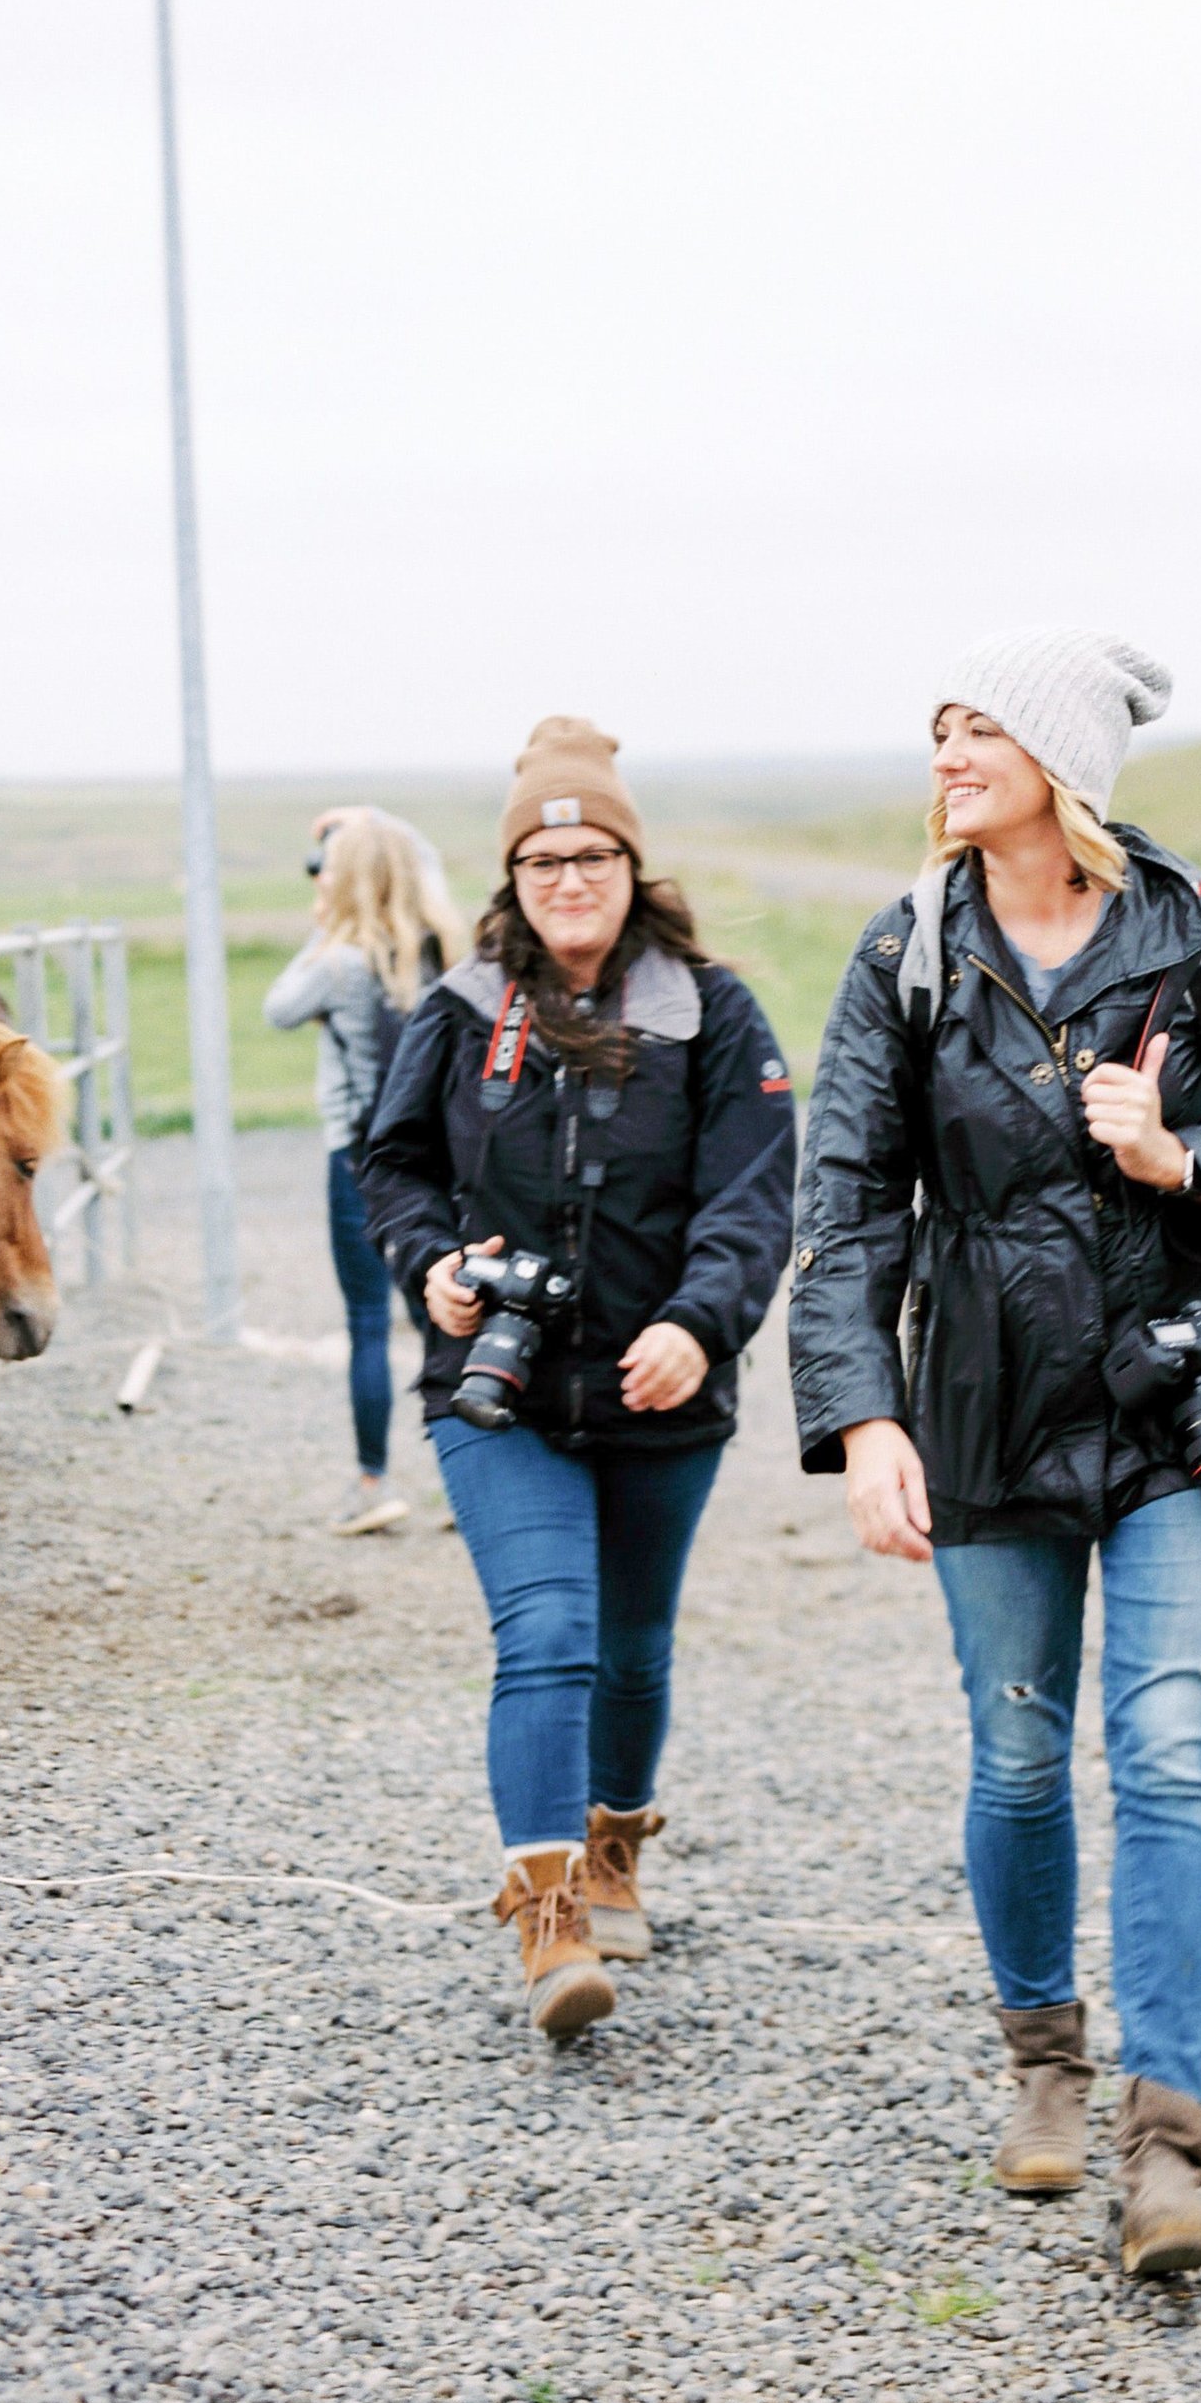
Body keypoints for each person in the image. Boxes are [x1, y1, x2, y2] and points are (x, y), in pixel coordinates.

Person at [789, 630, 1201, 2277]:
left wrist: (1182, 1157)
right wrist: (863, 1414)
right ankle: (1043, 2063)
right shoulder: (909, 955)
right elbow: (842, 1203)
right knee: (1020, 1756)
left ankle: (1167, 2138)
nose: (948, 754)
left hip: (1180, 1410)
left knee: (1166, 1753)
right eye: (940, 729)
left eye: (978, 729)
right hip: (983, 1413)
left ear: (1060, 762)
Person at [359, 719, 796, 2037]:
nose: (567, 879)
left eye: (591, 852)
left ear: (630, 863)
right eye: (541, 860)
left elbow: (754, 1191)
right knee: (547, 1631)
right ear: (514, 878)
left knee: (634, 1645)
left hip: (665, 1379)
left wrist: (699, 1321)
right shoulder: (457, 1008)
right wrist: (430, 1262)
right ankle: (549, 1916)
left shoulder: (712, 1012)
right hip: (501, 1389)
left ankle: (614, 1847)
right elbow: (393, 1167)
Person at [264, 806, 461, 1534]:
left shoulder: (338, 964)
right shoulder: (440, 954)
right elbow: (427, 871)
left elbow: (278, 1008)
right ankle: (471, 1479)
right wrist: (388, 826)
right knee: (442, 1316)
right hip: (438, 1163)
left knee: (367, 1323)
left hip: (356, 1162)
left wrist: (329, 920)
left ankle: (373, 1483)